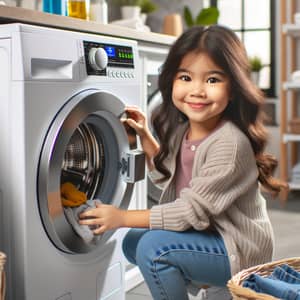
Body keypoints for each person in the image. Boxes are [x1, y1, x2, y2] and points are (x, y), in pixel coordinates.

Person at [79, 25, 287, 300]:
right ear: (172, 81)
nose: (197, 90)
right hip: (210, 236)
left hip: (238, 247)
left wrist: (121, 217)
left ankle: (214, 280)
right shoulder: (184, 130)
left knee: (153, 249)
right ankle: (208, 282)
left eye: (212, 80)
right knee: (134, 243)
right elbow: (171, 176)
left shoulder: (230, 143)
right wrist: (144, 137)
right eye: (186, 77)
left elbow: (189, 212)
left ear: (234, 89)